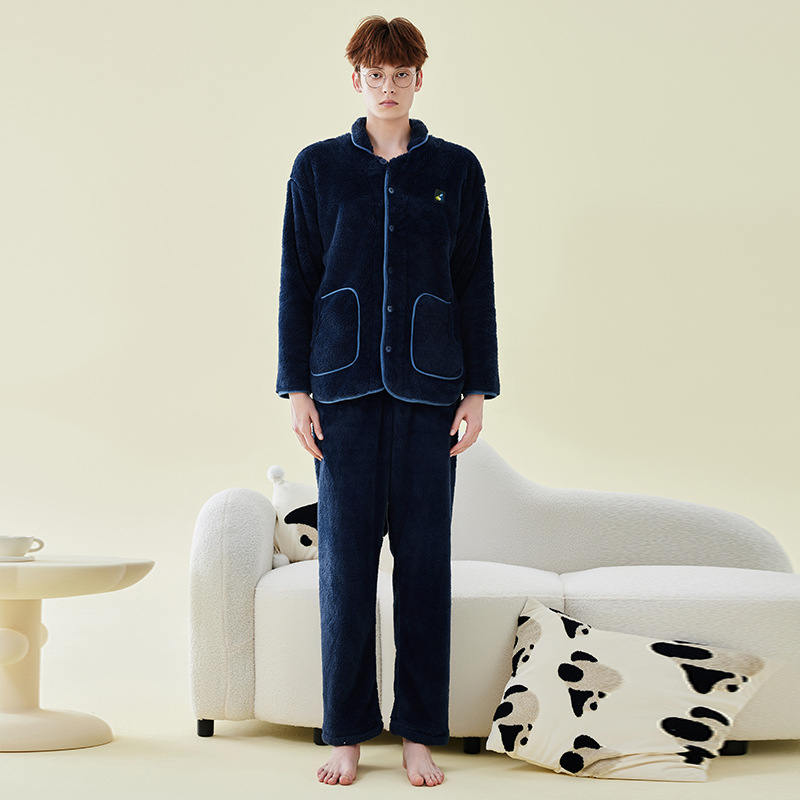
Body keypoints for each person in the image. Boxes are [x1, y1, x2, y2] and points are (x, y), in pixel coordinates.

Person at [276, 15, 500, 787]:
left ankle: (418, 735)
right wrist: (297, 389)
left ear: (419, 79)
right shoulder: (317, 169)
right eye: (376, 75)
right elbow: (297, 281)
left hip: (430, 396)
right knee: (344, 572)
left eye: (402, 74)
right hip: (340, 396)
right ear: (357, 80)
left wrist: (477, 390)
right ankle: (344, 733)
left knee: (424, 571)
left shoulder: (456, 170)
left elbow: (475, 283)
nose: (389, 87)